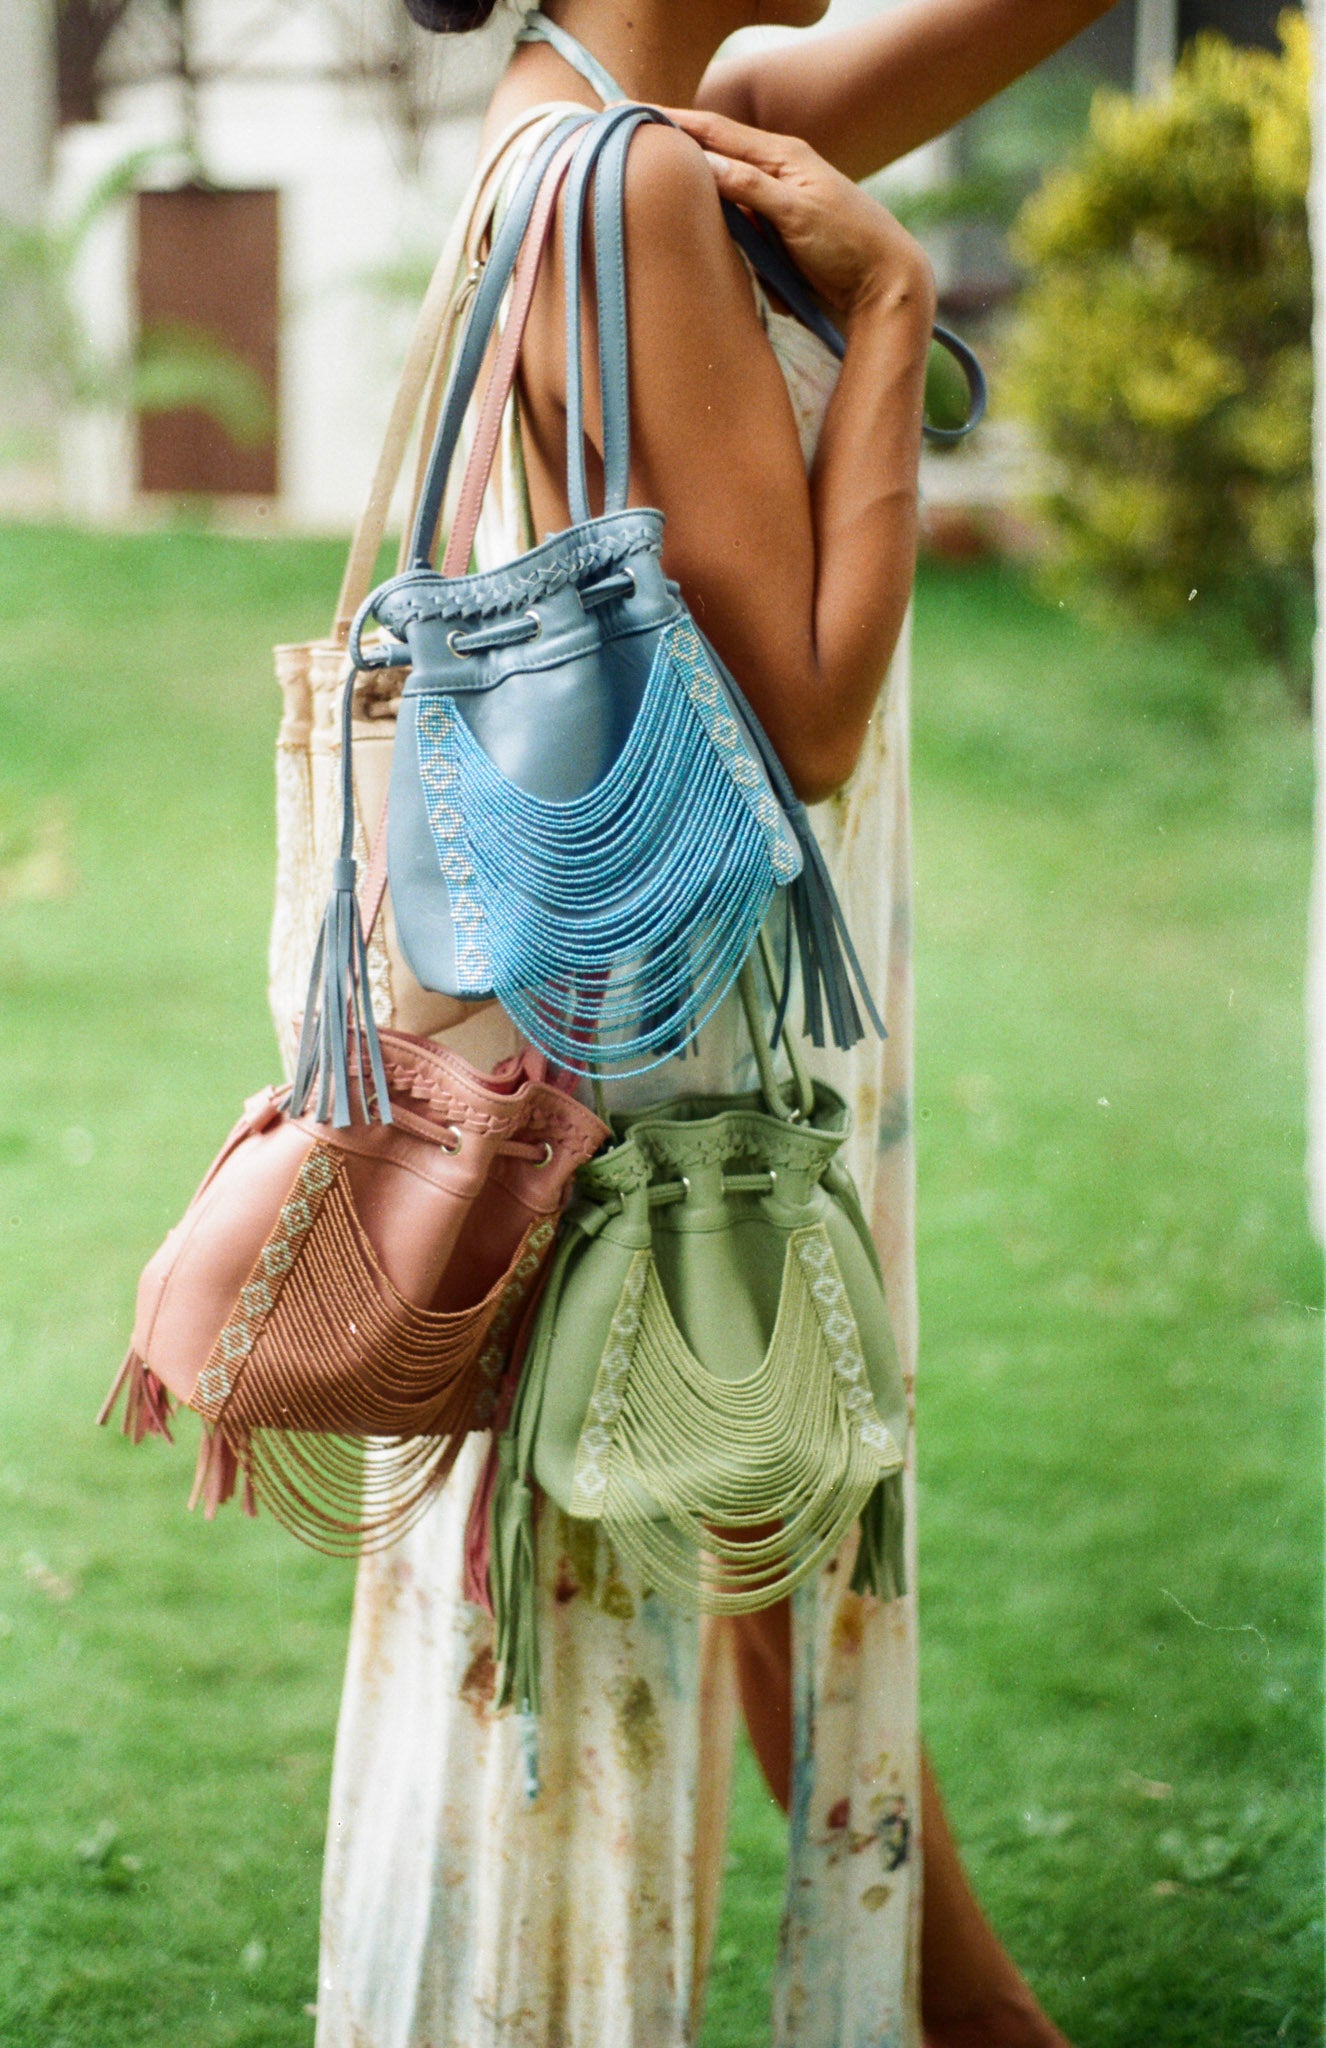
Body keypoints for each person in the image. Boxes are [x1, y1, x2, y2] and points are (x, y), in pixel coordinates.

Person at [313, 5, 1111, 2043]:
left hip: (632, 989)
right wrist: (899, 299)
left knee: (743, 1541)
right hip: (705, 1021)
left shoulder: (625, 122)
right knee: (740, 1518)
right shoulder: (644, 179)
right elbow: (814, 709)